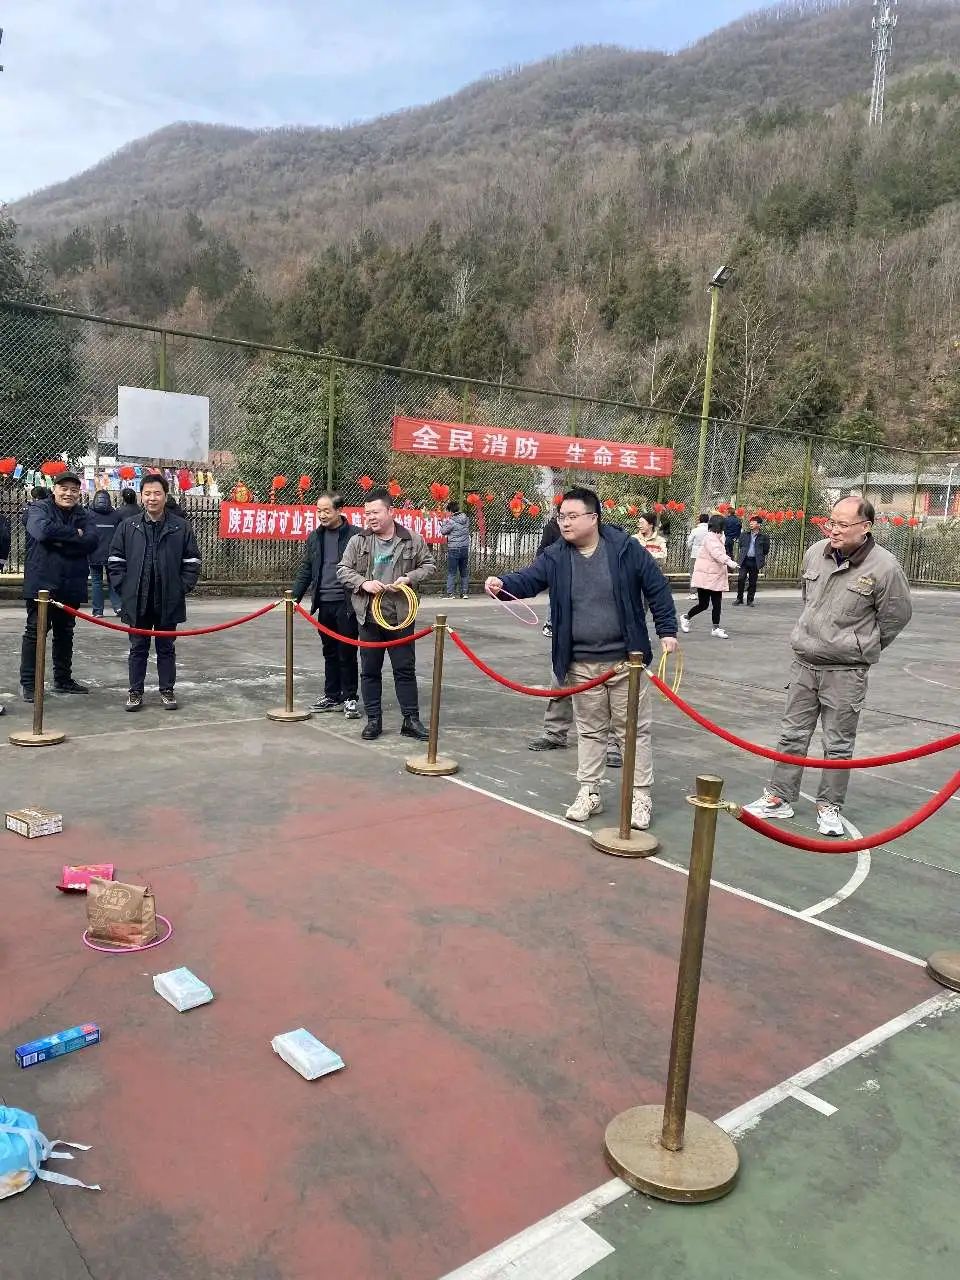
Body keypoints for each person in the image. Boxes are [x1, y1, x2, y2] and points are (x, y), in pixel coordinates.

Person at [486, 487, 678, 828]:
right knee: (590, 731)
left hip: (626, 662)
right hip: (580, 663)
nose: (565, 523)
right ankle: (589, 792)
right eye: (562, 517)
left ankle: (640, 797)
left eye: (572, 516)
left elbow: (657, 587)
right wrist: (503, 583)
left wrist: (667, 630)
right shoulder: (556, 555)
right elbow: (530, 578)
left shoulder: (625, 549)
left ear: (594, 518)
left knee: (633, 731)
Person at [745, 497, 912, 836]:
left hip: (846, 671)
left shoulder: (884, 567)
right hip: (804, 663)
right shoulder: (815, 553)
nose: (834, 530)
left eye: (843, 525)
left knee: (838, 743)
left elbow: (896, 616)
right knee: (792, 734)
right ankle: (779, 796)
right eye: (831, 522)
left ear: (866, 527)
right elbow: (809, 600)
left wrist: (860, 646)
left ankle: (829, 805)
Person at [337, 487, 434, 741]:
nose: (370, 517)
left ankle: (410, 720)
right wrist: (363, 583)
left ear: (391, 511)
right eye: (367, 513)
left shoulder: (412, 539)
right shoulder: (359, 541)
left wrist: (409, 578)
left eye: (376, 512)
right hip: (369, 617)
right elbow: (343, 570)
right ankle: (374, 720)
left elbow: (429, 565)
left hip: (400, 617)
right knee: (370, 670)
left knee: (404, 669)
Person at [107, 473, 202, 712]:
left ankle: (167, 690)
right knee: (137, 647)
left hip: (168, 599)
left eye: (157, 493)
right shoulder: (128, 526)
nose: (152, 498)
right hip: (137, 599)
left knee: (166, 648)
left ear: (165, 496)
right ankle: (135, 692)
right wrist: (124, 588)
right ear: (141, 496)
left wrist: (181, 587)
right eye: (147, 493)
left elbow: (192, 561)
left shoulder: (180, 527)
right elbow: (115, 560)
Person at [19, 470, 98, 701]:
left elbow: (92, 541)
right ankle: (29, 684)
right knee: (36, 632)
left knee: (65, 633)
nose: (68, 494)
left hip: (71, 582)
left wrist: (59, 541)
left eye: (74, 490)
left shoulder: (83, 514)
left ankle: (63, 679)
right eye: (64, 489)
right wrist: (74, 534)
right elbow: (41, 531)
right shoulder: (39, 508)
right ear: (54, 489)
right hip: (42, 583)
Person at [291, 491, 361, 718]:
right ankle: (332, 695)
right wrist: (294, 597)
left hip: (347, 604)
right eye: (318, 511)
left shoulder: (356, 536)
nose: (321, 515)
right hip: (324, 603)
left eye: (326, 511)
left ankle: (350, 697)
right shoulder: (315, 537)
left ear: (339, 510)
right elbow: (307, 568)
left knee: (347, 651)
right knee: (329, 651)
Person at [680, 515, 738, 639]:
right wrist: (729, 562)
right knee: (703, 604)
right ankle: (686, 617)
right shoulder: (710, 538)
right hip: (705, 576)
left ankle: (716, 628)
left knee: (717, 603)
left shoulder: (719, 537)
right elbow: (717, 553)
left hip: (715, 576)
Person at [88, 488, 123, 617]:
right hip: (112, 553)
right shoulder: (115, 515)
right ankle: (118, 607)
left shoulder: (89, 514)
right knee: (113, 580)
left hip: (94, 553)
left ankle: (98, 610)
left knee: (96, 582)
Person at [733, 515, 771, 607]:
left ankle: (750, 600)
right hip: (744, 560)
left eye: (753, 522)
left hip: (755, 561)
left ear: (759, 525)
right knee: (741, 578)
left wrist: (758, 555)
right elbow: (741, 546)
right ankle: (739, 598)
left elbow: (766, 550)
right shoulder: (744, 535)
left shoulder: (764, 537)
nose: (751, 524)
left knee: (753, 581)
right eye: (750, 522)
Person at [440, 500, 470, 598]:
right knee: (464, 571)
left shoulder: (451, 522)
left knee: (452, 571)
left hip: (454, 548)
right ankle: (464, 593)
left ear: (451, 511)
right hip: (464, 548)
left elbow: (443, 531)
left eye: (447, 511)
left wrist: (444, 523)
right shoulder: (466, 519)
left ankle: (450, 593)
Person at [685, 513, 709, 599]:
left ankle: (693, 593)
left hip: (695, 554)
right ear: (708, 520)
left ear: (699, 520)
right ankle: (704, 592)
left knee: (694, 573)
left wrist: (691, 548)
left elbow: (689, 542)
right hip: (707, 554)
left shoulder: (695, 530)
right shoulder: (710, 531)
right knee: (705, 573)